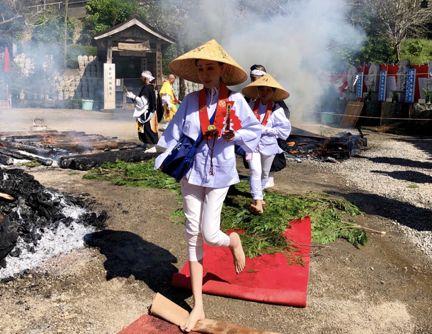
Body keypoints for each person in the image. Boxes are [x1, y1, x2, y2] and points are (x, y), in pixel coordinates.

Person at [155, 39, 261, 332]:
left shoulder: (237, 101)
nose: (204, 74)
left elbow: (255, 132)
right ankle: (198, 304)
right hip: (191, 173)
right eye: (200, 69)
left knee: (211, 234)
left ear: (222, 70)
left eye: (210, 68)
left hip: (220, 175)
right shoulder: (189, 102)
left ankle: (233, 241)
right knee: (192, 233)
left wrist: (234, 134)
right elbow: (173, 133)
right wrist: (161, 154)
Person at [242, 74, 291, 214]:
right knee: (254, 171)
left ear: (273, 92)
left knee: (264, 173)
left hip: (268, 146)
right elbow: (242, 122)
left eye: (267, 90)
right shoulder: (251, 107)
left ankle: (260, 194)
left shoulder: (277, 110)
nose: (264, 93)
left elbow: (284, 131)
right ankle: (257, 201)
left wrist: (265, 130)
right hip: (252, 146)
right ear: (257, 91)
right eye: (261, 89)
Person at [126, 70, 158, 151]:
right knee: (141, 129)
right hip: (147, 112)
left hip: (146, 113)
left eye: (142, 77)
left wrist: (133, 96)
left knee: (147, 129)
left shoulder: (147, 88)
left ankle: (151, 146)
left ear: (145, 78)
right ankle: (146, 143)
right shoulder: (150, 87)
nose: (140, 78)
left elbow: (143, 102)